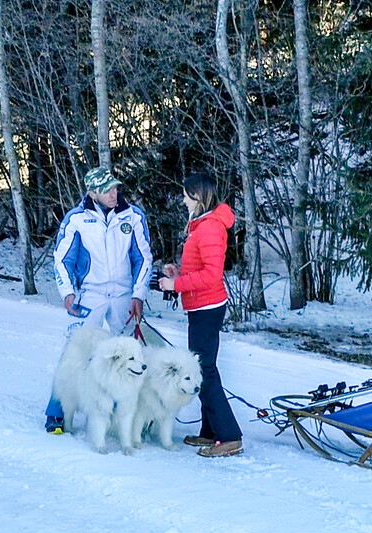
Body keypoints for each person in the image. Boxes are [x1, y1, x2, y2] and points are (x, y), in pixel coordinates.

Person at [44, 166, 153, 434]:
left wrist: (138, 294)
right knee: (74, 350)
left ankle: (134, 417)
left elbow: (144, 258)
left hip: (124, 294)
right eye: (106, 190)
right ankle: (57, 412)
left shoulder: (133, 216)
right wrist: (68, 292)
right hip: (89, 293)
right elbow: (62, 258)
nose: (114, 193)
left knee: (132, 352)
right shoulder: (76, 218)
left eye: (115, 187)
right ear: (92, 192)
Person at [158, 172, 243, 457]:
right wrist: (179, 273)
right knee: (203, 367)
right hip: (199, 306)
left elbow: (212, 275)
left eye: (186, 194)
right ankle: (211, 432)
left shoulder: (209, 228)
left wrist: (176, 285)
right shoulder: (201, 224)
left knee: (204, 370)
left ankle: (229, 435)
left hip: (207, 307)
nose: (182, 200)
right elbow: (201, 268)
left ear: (199, 196)